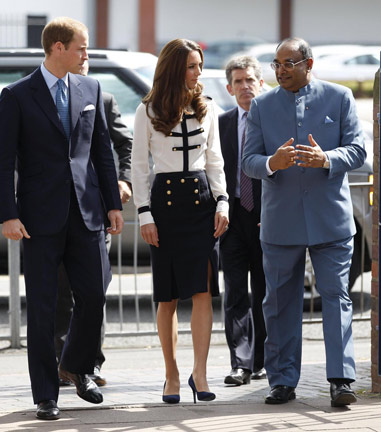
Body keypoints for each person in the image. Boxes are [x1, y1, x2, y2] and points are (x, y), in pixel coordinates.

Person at [0, 17, 123, 420]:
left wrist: (113, 203)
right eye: (81, 47)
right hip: (38, 218)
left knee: (95, 295)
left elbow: (102, 151)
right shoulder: (16, 95)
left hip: (87, 214)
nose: (87, 55)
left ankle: (78, 366)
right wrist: (8, 215)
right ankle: (46, 395)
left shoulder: (91, 88)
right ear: (58, 48)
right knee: (44, 307)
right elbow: (3, 161)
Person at [242, 37, 366, 407]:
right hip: (281, 223)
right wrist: (271, 163)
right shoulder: (261, 106)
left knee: (337, 298)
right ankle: (281, 381)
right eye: (276, 64)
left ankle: (341, 380)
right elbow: (248, 160)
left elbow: (358, 150)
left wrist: (325, 158)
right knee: (279, 303)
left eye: (288, 63)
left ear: (308, 64)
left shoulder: (340, 97)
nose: (281, 70)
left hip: (331, 220)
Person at [131, 38, 229, 404]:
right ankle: (171, 374)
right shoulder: (148, 109)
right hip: (166, 206)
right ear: (174, 68)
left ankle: (199, 374)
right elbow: (140, 167)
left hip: (202, 203)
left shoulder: (208, 107)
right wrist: (144, 213)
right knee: (168, 295)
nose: (198, 73)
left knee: (203, 291)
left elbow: (216, 161)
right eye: (191, 66)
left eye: (199, 66)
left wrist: (223, 203)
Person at [55, 59, 133, 388]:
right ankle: (63, 363)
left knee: (94, 291)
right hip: (59, 213)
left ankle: (90, 362)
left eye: (87, 57)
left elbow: (122, 143)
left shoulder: (103, 98)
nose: (83, 62)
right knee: (62, 291)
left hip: (95, 211)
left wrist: (123, 180)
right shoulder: (47, 97)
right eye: (80, 55)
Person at [219, 55, 267, 386]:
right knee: (235, 292)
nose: (245, 85)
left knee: (265, 292)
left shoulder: (272, 122)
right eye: (238, 81)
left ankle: (262, 360)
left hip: (266, 218)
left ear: (261, 84)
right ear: (229, 88)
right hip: (233, 218)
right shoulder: (220, 124)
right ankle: (240, 362)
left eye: (250, 79)